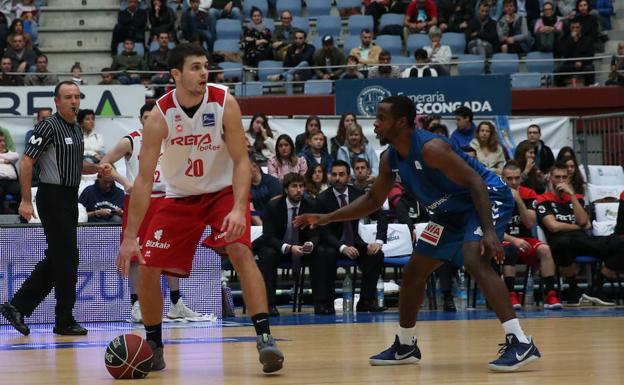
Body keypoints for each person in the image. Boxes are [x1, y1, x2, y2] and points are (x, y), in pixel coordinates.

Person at [295, 95, 541, 371]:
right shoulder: (390, 159)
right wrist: (327, 217)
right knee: (414, 271)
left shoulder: (431, 148)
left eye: (381, 119)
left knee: (473, 258)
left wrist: (488, 231)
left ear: (401, 122)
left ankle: (520, 341)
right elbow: (373, 201)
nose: (374, 125)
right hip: (449, 213)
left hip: (485, 198)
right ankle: (406, 344)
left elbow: (476, 183)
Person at [116, 44, 283, 373]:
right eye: (195, 67)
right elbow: (145, 182)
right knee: (147, 264)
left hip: (222, 193)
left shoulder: (224, 102)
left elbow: (240, 161)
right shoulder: (160, 116)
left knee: (240, 249)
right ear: (175, 74)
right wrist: (131, 236)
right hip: (179, 197)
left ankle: (265, 338)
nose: (204, 72)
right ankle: (154, 344)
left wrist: (238, 208)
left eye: (205, 66)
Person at [0, 81, 108, 336]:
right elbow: (27, 162)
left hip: (70, 197)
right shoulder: (48, 126)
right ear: (57, 101)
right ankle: (61, 320)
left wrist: (98, 168)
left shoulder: (75, 129)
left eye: (77, 97)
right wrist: (26, 201)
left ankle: (18, 306)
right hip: (52, 196)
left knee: (61, 259)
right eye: (68, 97)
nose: (74, 101)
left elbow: (76, 165)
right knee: (67, 258)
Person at [101, 104, 206, 324]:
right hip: (140, 200)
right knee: (135, 254)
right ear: (141, 120)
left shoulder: (171, 140)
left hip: (167, 200)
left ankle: (176, 305)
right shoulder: (131, 140)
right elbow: (105, 163)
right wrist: (126, 183)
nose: (152, 122)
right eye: (147, 118)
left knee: (169, 252)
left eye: (155, 118)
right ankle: (137, 306)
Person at [536, 162, 621, 305]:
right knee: (563, 244)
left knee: (619, 243)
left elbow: (584, 222)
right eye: (557, 177)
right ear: (550, 179)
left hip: (582, 239)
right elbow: (553, 227)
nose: (561, 181)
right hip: (559, 241)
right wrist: (577, 226)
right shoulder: (543, 200)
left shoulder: (577, 198)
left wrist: (572, 195)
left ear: (569, 180)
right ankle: (573, 290)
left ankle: (595, 289)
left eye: (564, 177)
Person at [312, 160, 387, 313]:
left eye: (341, 174)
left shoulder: (358, 195)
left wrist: (378, 241)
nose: (337, 178)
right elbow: (322, 231)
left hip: (354, 241)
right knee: (324, 253)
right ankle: (325, 303)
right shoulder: (322, 199)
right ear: (329, 177)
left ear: (348, 176)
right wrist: (343, 247)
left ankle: (366, 301)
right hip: (331, 243)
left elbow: (380, 215)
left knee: (376, 255)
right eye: (334, 174)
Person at [257, 172, 331, 316]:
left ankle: (321, 303)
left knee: (323, 251)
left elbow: (317, 233)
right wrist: (289, 248)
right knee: (268, 254)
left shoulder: (312, 204)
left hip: (302, 248)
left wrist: (310, 243)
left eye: (301, 186)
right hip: (279, 248)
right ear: (286, 189)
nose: (299, 190)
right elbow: (268, 236)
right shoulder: (273, 206)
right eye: (294, 186)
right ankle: (269, 304)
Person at [501, 161, 561, 310]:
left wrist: (518, 200)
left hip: (525, 239)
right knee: (510, 249)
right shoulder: (494, 194)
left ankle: (550, 294)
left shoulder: (529, 193)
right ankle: (510, 294)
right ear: (503, 178)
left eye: (517, 178)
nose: (514, 182)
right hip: (503, 239)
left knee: (545, 250)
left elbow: (529, 223)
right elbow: (490, 228)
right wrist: (513, 240)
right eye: (509, 179)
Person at [0, 131, 19, 213]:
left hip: (11, 182)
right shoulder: (8, 157)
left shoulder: (10, 153)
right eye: (0, 141)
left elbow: (16, 156)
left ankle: (22, 219)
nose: (3, 143)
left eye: (3, 140)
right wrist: (5, 160)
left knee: (23, 192)